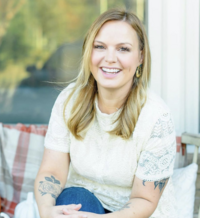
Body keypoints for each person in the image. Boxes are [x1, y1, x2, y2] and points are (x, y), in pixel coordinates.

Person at [34, 8, 177, 218]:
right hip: (82, 206)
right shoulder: (69, 101)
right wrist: (46, 211)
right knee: (75, 199)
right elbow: (52, 172)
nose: (110, 58)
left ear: (141, 57)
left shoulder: (156, 117)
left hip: (135, 214)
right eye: (100, 47)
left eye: (123, 49)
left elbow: (144, 199)